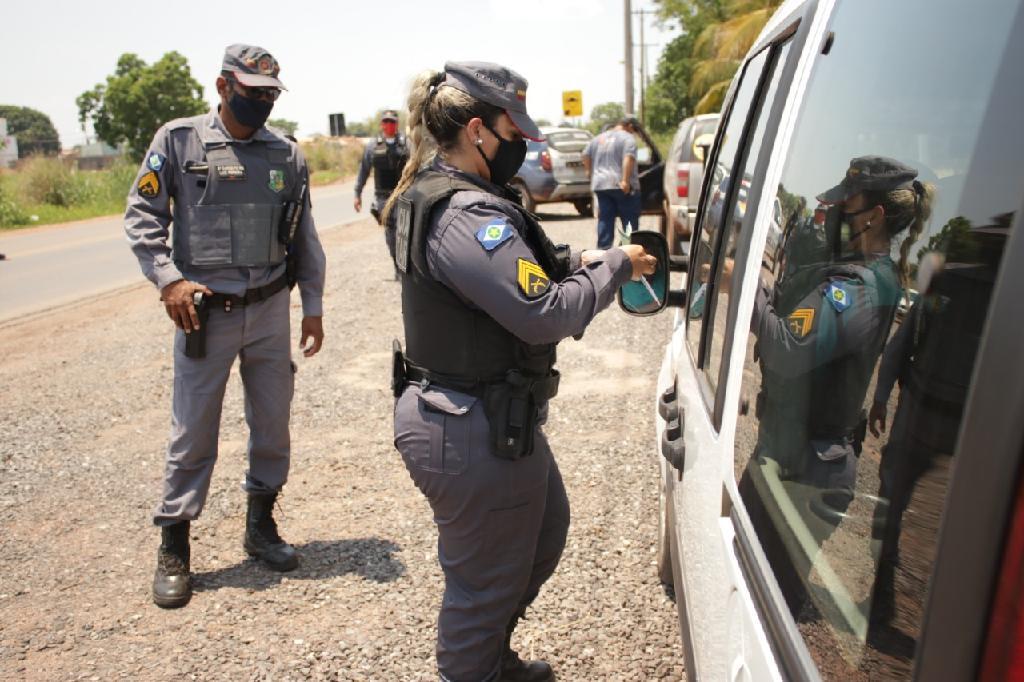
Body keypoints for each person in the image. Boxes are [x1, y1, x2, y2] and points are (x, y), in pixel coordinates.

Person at [381, 61, 656, 682]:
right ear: (477, 130)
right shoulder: (466, 216)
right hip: (468, 424)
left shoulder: (453, 195)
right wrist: (611, 267)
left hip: (488, 415)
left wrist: (587, 257)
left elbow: (529, 261)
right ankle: (474, 666)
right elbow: (542, 312)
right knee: (481, 587)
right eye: (515, 133)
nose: (525, 145)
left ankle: (490, 659)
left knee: (542, 531)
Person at [124, 44, 326, 609]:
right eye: (250, 90)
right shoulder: (178, 140)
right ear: (222, 85)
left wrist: (312, 303)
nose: (260, 100)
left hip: (268, 311)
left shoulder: (285, 153)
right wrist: (168, 279)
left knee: (273, 423)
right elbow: (142, 217)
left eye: (269, 93)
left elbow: (304, 235)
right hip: (204, 313)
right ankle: (175, 546)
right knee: (193, 432)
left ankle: (259, 527)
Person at [582, 117, 641, 249]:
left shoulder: (598, 139)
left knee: (605, 219)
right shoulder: (628, 138)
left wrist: (589, 173)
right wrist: (625, 180)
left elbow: (585, 155)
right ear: (630, 126)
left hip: (601, 185)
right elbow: (629, 158)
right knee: (629, 221)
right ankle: (628, 250)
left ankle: (604, 253)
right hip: (621, 186)